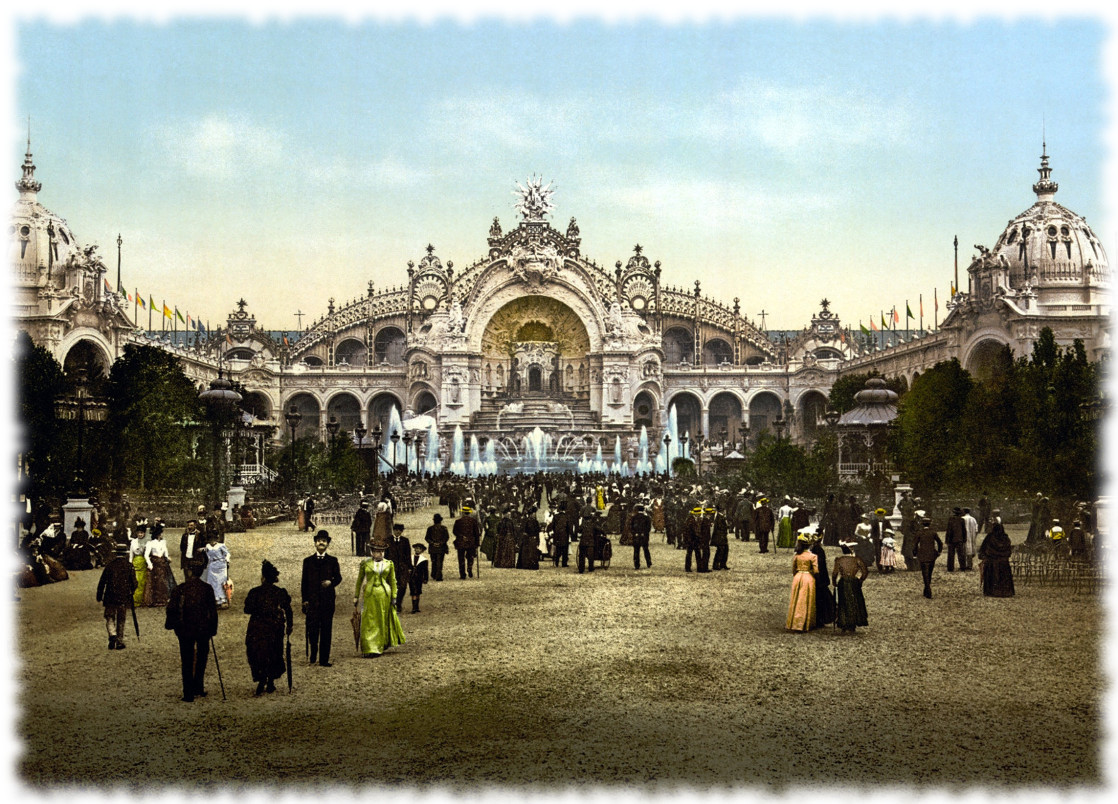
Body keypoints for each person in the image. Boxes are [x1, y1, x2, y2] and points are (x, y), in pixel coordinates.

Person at [165, 554, 218, 702]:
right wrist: (213, 629)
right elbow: (212, 611)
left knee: (187, 660)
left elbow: (172, 609)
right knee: (202, 658)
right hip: (203, 629)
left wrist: (171, 625)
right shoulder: (207, 589)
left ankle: (188, 692)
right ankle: (198, 687)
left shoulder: (180, 589)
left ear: (189, 572)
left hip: (184, 629)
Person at [244, 560, 294, 695]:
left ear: (263, 578)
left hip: (257, 627)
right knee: (274, 652)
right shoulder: (279, 592)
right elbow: (288, 610)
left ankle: (261, 679)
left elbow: (247, 609)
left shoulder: (255, 592)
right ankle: (271, 680)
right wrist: (289, 625)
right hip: (275, 626)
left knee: (257, 652)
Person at [353, 544, 405, 657]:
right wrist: (356, 596)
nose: (380, 553)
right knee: (369, 619)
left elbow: (393, 581)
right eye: (377, 551)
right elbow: (359, 580)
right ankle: (369, 647)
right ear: (372, 552)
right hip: (369, 594)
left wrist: (394, 597)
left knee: (381, 618)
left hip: (384, 594)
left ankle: (379, 646)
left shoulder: (389, 564)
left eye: (382, 551)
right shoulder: (366, 563)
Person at [301, 530, 342, 667]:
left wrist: (331, 582)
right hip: (312, 601)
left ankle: (324, 659)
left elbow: (338, 578)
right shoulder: (307, 561)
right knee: (312, 629)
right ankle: (313, 654)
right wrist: (304, 600)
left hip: (327, 601)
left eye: (324, 541)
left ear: (328, 544)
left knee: (326, 630)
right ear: (315, 543)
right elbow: (304, 582)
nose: (321, 543)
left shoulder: (332, 561)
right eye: (319, 540)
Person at [96, 542, 137, 651]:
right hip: (123, 597)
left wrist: (99, 595)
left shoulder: (109, 566)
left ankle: (112, 633)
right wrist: (131, 592)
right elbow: (134, 583)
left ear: (116, 553)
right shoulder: (129, 566)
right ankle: (119, 641)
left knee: (109, 616)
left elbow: (102, 582)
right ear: (125, 554)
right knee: (121, 619)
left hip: (110, 596)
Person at [832, 540, 869, 633]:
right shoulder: (856, 560)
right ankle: (853, 623)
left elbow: (834, 573)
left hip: (843, 582)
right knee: (855, 602)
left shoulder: (839, 560)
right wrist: (860, 580)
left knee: (843, 603)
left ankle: (844, 623)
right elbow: (865, 571)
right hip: (853, 581)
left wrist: (834, 582)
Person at [978, 511, 1015, 597]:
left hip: (992, 562)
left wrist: (984, 556)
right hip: (1003, 562)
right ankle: (1005, 591)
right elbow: (1009, 550)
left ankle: (992, 591)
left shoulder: (990, 537)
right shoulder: (1006, 538)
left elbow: (983, 548)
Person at [786, 536, 818, 632]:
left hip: (798, 576)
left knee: (796, 599)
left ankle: (794, 622)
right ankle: (804, 623)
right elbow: (816, 570)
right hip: (808, 577)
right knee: (805, 600)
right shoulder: (813, 556)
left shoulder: (797, 555)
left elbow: (793, 569)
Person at [143, 522, 178, 607]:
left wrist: (167, 557)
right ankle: (156, 600)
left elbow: (165, 552)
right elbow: (146, 555)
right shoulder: (150, 543)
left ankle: (163, 599)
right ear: (158, 534)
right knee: (156, 582)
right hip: (155, 563)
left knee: (164, 581)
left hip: (162, 562)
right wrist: (150, 564)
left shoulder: (163, 542)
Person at [914, 514, 943, 599]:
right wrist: (939, 552)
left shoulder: (919, 533)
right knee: (929, 572)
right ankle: (927, 588)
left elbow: (915, 544)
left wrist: (915, 553)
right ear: (930, 524)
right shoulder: (933, 532)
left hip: (922, 554)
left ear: (922, 524)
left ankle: (927, 589)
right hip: (931, 555)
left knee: (924, 573)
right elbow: (940, 543)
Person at [202, 533, 231, 608]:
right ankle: (214, 600)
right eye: (211, 540)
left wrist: (227, 561)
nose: (212, 542)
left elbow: (227, 554)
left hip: (221, 565)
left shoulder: (221, 545)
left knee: (221, 582)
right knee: (212, 582)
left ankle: (222, 600)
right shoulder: (208, 546)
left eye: (214, 540)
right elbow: (207, 554)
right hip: (212, 565)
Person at [453, 505, 481, 579]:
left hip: (460, 542)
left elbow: (455, 531)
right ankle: (469, 567)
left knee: (461, 558)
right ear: (469, 513)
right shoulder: (473, 521)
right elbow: (476, 533)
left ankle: (462, 574)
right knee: (470, 557)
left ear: (463, 513)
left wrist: (461, 536)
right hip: (471, 542)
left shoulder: (458, 521)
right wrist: (477, 543)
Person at [128, 519, 149, 607]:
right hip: (135, 562)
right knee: (134, 581)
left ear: (144, 534)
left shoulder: (147, 542)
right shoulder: (133, 541)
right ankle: (133, 600)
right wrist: (130, 563)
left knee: (141, 582)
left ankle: (139, 600)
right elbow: (131, 554)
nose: (140, 534)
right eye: (139, 533)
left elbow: (147, 554)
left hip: (143, 562)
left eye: (142, 533)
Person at [424, 513, 450, 581]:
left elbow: (427, 538)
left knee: (434, 561)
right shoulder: (444, 528)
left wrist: (432, 543)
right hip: (441, 548)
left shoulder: (430, 528)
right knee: (440, 562)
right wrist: (441, 543)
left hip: (433, 548)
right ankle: (438, 575)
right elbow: (446, 538)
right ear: (440, 521)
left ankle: (434, 574)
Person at [630, 503, 652, 570]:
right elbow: (648, 528)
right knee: (646, 549)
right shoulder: (647, 517)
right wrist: (644, 533)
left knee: (636, 550)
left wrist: (634, 533)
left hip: (636, 536)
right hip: (644, 536)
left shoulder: (634, 517)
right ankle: (648, 562)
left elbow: (631, 527)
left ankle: (637, 564)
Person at [408, 543, 429, 613]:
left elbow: (425, 570)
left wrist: (426, 578)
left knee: (418, 591)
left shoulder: (424, 560)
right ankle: (414, 607)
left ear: (422, 550)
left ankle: (417, 606)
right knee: (413, 591)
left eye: (419, 549)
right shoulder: (410, 557)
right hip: (411, 577)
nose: (417, 550)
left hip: (419, 577)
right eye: (416, 548)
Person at [945, 507, 967, 572]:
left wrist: (947, 539)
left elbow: (949, 530)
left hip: (951, 539)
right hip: (959, 539)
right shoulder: (962, 520)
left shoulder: (951, 519)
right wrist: (964, 538)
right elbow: (964, 530)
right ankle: (963, 567)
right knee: (961, 554)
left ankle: (950, 568)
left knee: (951, 554)